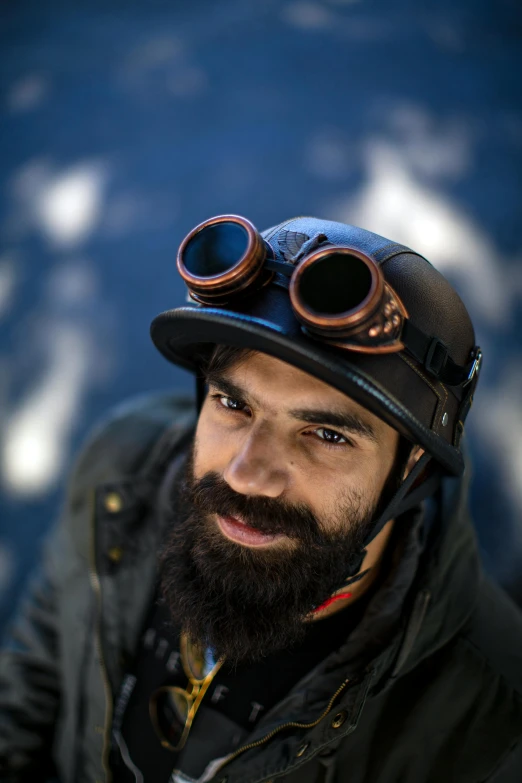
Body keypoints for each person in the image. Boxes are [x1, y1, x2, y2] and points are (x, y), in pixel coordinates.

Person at [1, 214, 521, 783]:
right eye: (233, 404)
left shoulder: (492, 719)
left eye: (327, 435)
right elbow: (32, 681)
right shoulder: (118, 471)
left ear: (412, 469)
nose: (248, 475)